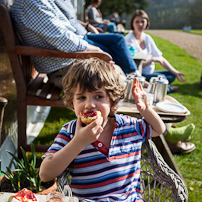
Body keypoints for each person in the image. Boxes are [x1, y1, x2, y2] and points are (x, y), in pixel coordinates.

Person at [39, 58, 166, 201]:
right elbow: (45, 173)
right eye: (81, 98)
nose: (89, 105)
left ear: (113, 101)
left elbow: (158, 129)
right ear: (72, 103)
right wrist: (79, 142)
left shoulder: (129, 126)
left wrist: (145, 109)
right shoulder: (70, 132)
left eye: (98, 96)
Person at [11, 0, 138, 89]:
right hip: (63, 69)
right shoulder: (32, 2)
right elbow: (63, 39)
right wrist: (96, 51)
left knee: (117, 72)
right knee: (118, 81)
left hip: (67, 63)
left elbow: (63, 32)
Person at [125, 9, 186, 93]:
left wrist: (175, 72)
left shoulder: (147, 38)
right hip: (138, 74)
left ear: (147, 23)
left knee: (171, 75)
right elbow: (131, 66)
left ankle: (153, 85)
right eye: (137, 22)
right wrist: (152, 60)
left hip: (150, 73)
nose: (140, 24)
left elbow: (160, 58)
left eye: (143, 21)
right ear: (132, 23)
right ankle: (167, 89)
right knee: (162, 78)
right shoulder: (128, 40)